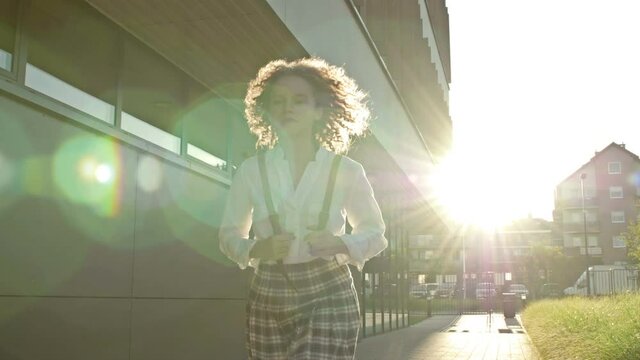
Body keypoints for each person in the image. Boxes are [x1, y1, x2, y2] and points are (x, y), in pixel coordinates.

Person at [219, 57, 387, 359]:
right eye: (278, 101)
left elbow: (375, 233)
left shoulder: (346, 170)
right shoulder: (250, 171)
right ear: (267, 111)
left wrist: (340, 242)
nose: (287, 109)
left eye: (299, 100)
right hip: (268, 289)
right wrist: (258, 250)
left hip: (328, 289)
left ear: (319, 110)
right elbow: (229, 235)